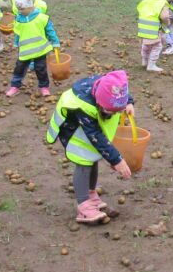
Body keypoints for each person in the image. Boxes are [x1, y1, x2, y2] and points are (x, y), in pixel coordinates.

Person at [45, 70, 135, 224]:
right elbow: (96, 136)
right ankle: (83, 205)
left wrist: (128, 103)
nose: (111, 115)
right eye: (108, 111)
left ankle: (90, 193)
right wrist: (116, 160)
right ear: (99, 101)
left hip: (88, 129)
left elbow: (122, 91)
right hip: (73, 130)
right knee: (84, 162)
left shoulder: (110, 85)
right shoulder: (83, 107)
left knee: (93, 159)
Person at [6, 0, 59, 97]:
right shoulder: (18, 19)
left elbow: (50, 31)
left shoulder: (41, 18)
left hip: (40, 50)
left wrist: (55, 42)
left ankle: (44, 87)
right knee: (19, 69)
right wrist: (16, 43)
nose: (20, 12)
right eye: (19, 9)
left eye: (22, 9)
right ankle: (15, 86)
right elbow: (18, 32)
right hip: (25, 51)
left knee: (41, 69)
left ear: (30, 6)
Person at [137, 0, 171, 73]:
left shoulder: (145, 1)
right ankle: (151, 65)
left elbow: (139, 10)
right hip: (154, 28)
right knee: (157, 46)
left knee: (146, 44)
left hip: (143, 26)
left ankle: (144, 61)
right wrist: (167, 23)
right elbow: (165, 16)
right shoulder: (162, 3)